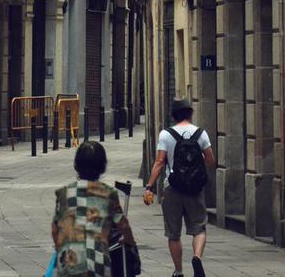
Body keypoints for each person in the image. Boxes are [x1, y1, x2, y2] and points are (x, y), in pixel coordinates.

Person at [142, 98, 215, 277]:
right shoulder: (201, 134)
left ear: (173, 115)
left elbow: (159, 162)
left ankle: (178, 270)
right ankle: (197, 257)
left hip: (172, 188)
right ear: (190, 113)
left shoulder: (166, 135)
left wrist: (149, 186)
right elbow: (211, 161)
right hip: (195, 190)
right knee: (199, 228)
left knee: (173, 233)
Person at [52, 140, 138, 277]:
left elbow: (55, 229)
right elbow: (123, 225)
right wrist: (128, 240)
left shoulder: (64, 194)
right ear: (102, 167)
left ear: (76, 165)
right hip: (97, 263)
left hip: (67, 263)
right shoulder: (108, 194)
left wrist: (60, 247)